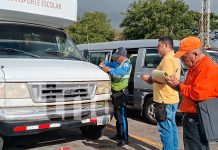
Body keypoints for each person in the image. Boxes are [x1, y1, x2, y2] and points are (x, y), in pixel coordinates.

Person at [166, 36, 218, 150]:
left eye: (184, 57)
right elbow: (189, 89)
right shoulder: (195, 67)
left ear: (194, 54)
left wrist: (178, 85)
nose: (182, 61)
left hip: (197, 117)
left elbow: (197, 93)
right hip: (193, 117)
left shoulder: (207, 67)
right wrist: (176, 85)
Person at [142, 36, 181, 150]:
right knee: (171, 127)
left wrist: (149, 78)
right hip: (172, 98)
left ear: (166, 46)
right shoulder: (175, 57)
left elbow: (165, 79)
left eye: (159, 46)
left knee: (165, 129)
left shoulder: (168, 60)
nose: (157, 48)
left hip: (165, 100)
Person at [100, 47, 131, 147]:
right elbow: (110, 63)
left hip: (121, 93)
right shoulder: (118, 63)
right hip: (115, 93)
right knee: (117, 116)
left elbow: (120, 73)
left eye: (117, 57)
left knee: (122, 117)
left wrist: (108, 70)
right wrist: (104, 63)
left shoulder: (126, 64)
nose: (116, 59)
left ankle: (125, 138)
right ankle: (119, 134)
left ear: (122, 56)